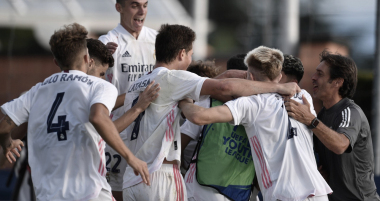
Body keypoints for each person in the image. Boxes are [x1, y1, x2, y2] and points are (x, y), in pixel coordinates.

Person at [121, 25, 300, 201]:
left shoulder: (139, 83)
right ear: (182, 54)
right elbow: (224, 86)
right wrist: (277, 86)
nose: (191, 60)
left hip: (131, 177)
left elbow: (219, 79)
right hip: (160, 175)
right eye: (191, 55)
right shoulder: (173, 77)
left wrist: (249, 75)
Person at [0, 23, 150, 201]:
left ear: (56, 62)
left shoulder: (36, 91)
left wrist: (7, 143)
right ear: (88, 58)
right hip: (90, 193)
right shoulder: (99, 86)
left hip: (48, 196)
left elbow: (3, 128)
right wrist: (131, 158)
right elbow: (98, 118)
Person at [179, 46, 332, 201]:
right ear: (280, 76)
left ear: (249, 77)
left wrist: (183, 99)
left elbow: (198, 116)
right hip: (318, 193)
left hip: (283, 194)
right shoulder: (302, 95)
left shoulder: (252, 104)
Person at [285, 50, 380, 200]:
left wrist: (310, 120)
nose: (313, 77)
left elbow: (340, 145)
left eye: (320, 74)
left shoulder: (350, 111)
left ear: (337, 82)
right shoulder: (321, 116)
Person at [98, 0, 157, 199]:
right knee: (117, 195)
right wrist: (100, 59)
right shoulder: (107, 44)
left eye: (145, 4)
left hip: (150, 135)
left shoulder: (157, 41)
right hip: (118, 134)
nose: (142, 11)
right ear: (119, 7)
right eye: (134, 5)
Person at [181, 55, 259, 201]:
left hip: (215, 192)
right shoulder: (264, 114)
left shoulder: (260, 113)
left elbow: (178, 144)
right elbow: (180, 143)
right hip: (211, 191)